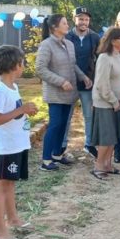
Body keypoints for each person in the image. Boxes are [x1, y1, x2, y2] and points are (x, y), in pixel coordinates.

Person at [0, 45, 38, 239]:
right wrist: (21, 110)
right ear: (15, 65)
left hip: (17, 143)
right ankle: (0, 233)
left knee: (10, 183)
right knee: (2, 185)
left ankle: (13, 219)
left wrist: (24, 111)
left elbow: (13, 113)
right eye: (22, 62)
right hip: (7, 147)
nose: (23, 66)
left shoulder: (13, 87)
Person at [36, 14, 92, 171]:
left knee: (62, 125)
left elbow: (73, 65)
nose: (68, 26)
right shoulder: (46, 45)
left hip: (69, 93)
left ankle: (57, 155)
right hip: (55, 93)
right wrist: (60, 81)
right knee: (54, 124)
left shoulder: (69, 44)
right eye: (65, 23)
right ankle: (46, 160)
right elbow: (40, 69)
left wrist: (83, 77)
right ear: (54, 27)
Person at [63, 7, 101, 159]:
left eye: (86, 19)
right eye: (80, 19)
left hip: (88, 83)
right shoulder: (67, 37)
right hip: (69, 83)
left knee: (88, 115)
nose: (83, 22)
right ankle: (62, 145)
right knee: (67, 115)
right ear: (74, 19)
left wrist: (96, 78)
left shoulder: (94, 37)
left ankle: (89, 144)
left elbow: (100, 58)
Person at [89, 27, 120, 180]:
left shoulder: (119, 56)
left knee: (113, 137)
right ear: (112, 41)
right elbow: (101, 84)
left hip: (117, 102)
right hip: (105, 103)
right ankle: (98, 167)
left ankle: (108, 165)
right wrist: (113, 100)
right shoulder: (104, 58)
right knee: (106, 137)